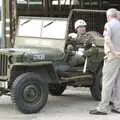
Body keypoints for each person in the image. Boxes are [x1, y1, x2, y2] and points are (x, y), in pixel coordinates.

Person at [89, 8, 120, 115]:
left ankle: (103, 108)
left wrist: (114, 52)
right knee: (118, 83)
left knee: (107, 82)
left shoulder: (109, 25)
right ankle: (118, 106)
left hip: (112, 57)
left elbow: (107, 39)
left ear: (108, 16)